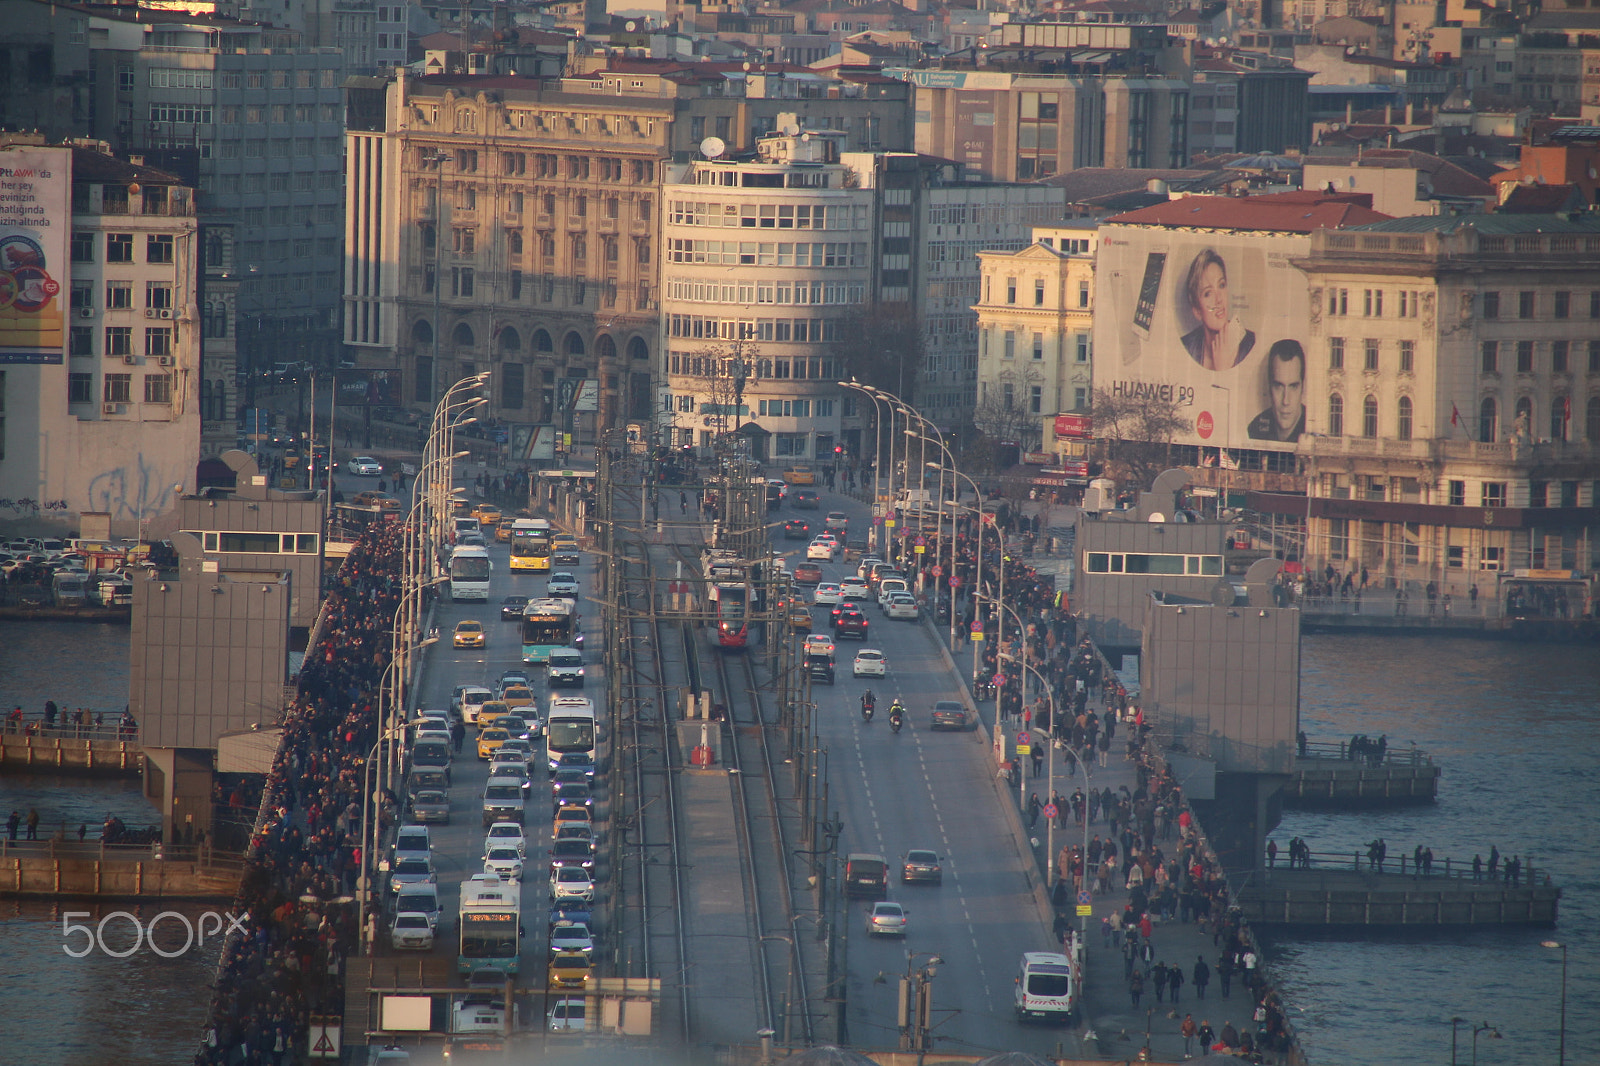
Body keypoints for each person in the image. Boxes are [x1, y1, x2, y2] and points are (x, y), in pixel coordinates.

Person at [1180, 248, 1255, 371]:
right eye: (1208, 293)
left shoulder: (1250, 344)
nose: (1219, 299)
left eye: (1221, 285)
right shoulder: (1186, 346)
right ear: (1197, 311)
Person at [1246, 339, 1306, 442]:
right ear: (1269, 387)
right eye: (1278, 386)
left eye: (1293, 386)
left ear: (1302, 388)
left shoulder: (1313, 427)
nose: (1285, 401)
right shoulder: (1255, 429)